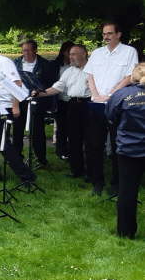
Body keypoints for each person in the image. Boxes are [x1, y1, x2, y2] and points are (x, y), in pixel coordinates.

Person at [85, 21, 138, 196]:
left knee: (117, 145)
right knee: (94, 144)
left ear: (118, 34)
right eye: (104, 34)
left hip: (117, 105)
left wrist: (111, 95)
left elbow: (129, 77)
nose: (105, 37)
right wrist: (96, 94)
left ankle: (116, 183)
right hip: (96, 104)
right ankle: (97, 182)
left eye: (109, 33)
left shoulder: (129, 52)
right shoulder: (97, 53)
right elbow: (90, 75)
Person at [0, 40, 36, 183]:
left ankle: (26, 175)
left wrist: (15, 105)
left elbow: (17, 83)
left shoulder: (3, 62)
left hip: (4, 107)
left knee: (2, 143)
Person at [35, 45, 90, 179]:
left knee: (90, 140)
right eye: (70, 54)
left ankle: (91, 172)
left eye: (74, 54)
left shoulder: (93, 70)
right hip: (72, 105)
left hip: (89, 105)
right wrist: (40, 93)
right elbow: (58, 87)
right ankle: (76, 170)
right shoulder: (68, 71)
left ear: (84, 54)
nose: (70, 57)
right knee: (73, 139)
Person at [106, 63, 145, 238]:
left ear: (133, 76)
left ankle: (125, 232)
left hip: (128, 149)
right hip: (131, 147)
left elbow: (110, 116)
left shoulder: (121, 94)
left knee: (127, 191)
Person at [12, 39, 58, 167]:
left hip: (37, 100)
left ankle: (41, 159)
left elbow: (50, 84)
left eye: (28, 50)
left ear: (35, 50)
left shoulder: (45, 64)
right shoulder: (15, 63)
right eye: (23, 50)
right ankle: (17, 158)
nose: (25, 53)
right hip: (19, 100)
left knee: (38, 131)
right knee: (17, 130)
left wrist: (39, 90)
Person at [51, 41, 75, 160]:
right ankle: (61, 150)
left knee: (73, 127)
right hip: (60, 99)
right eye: (68, 52)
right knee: (61, 127)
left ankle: (72, 150)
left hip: (72, 99)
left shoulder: (76, 65)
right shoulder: (56, 65)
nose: (70, 54)